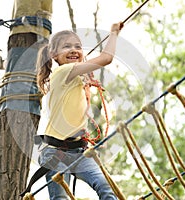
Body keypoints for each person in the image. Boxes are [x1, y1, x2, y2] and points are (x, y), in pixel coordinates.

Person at [36, 22, 123, 200]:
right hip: (56, 152)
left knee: (107, 188)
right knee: (60, 198)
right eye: (66, 47)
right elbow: (106, 58)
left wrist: (86, 86)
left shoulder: (74, 79)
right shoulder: (62, 72)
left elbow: (81, 111)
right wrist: (113, 33)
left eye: (78, 47)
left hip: (79, 151)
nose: (74, 50)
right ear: (54, 55)